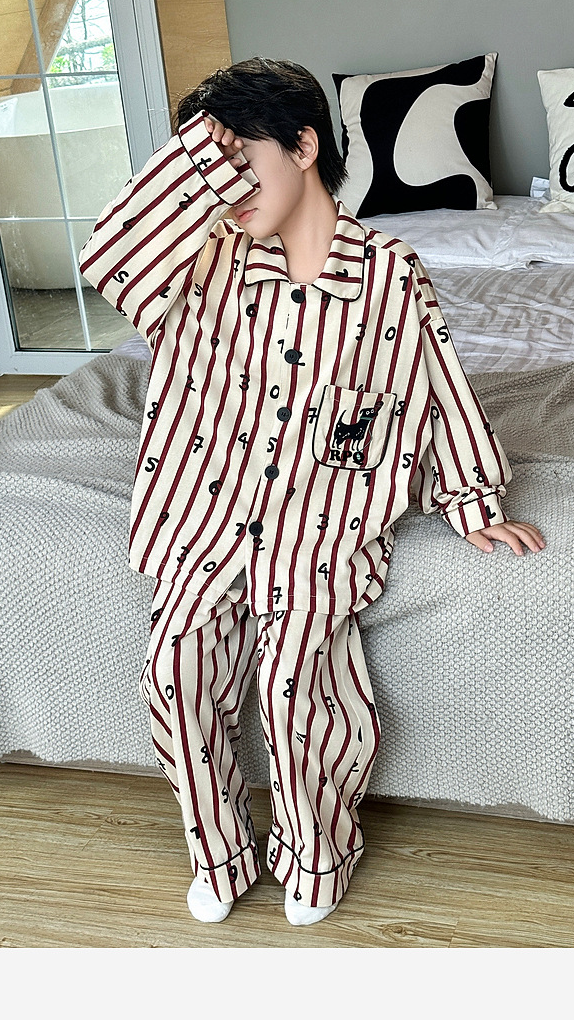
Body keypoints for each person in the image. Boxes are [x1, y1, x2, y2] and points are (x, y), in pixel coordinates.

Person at [78, 56, 545, 928]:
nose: (227, 190)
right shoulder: (199, 262)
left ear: (303, 146)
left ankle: (318, 851)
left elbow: (433, 382)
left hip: (322, 518)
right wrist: (207, 158)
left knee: (298, 679)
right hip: (208, 507)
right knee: (172, 667)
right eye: (208, 169)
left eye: (241, 163)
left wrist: (474, 501)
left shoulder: (388, 272)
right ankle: (218, 852)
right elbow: (107, 257)